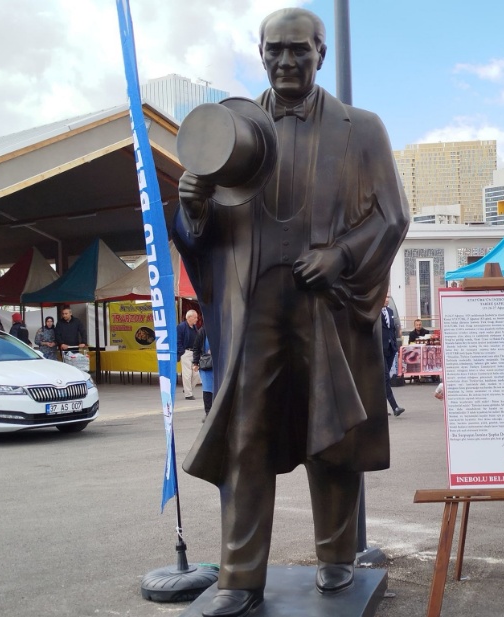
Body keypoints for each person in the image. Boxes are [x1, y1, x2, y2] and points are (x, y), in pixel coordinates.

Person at [173, 8, 409, 615]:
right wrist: (194, 209)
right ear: (259, 53)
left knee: (330, 430)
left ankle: (335, 557)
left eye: (299, 50)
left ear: (321, 54)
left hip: (326, 304)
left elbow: (391, 217)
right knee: (246, 438)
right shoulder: (231, 133)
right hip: (253, 310)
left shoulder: (362, 129)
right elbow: (204, 236)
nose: (286, 61)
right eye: (274, 49)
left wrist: (342, 256)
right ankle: (239, 576)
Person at [381, 297, 405, 417]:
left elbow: (394, 328)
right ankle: (394, 406)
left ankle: (379, 408)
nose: (386, 300)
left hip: (391, 348)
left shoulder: (390, 312)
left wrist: (395, 344)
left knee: (382, 381)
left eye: (387, 298)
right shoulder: (374, 312)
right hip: (380, 349)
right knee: (385, 378)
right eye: (384, 297)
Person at [176, 309, 199, 400]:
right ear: (189, 317)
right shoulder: (181, 327)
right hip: (186, 352)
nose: (196, 319)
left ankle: (187, 389)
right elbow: (178, 340)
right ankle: (188, 394)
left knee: (196, 375)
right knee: (187, 374)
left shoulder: (194, 328)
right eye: (195, 317)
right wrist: (182, 351)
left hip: (194, 352)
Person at [192, 326, 213, 422]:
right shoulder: (202, 331)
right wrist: (195, 363)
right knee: (207, 388)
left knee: (218, 388)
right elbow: (196, 347)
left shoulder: (223, 328)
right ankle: (208, 412)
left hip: (219, 364)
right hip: (206, 364)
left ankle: (217, 411)